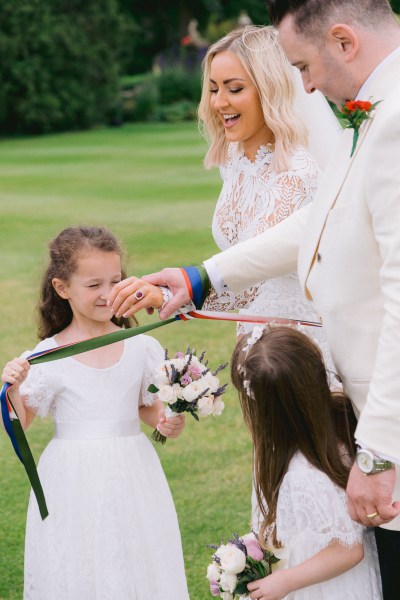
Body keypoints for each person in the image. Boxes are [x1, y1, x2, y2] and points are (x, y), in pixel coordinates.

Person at [107, 2, 400, 597]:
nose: (307, 87)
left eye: (304, 67)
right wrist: (200, 278)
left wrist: (378, 452)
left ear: (343, 41)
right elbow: (315, 227)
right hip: (279, 364)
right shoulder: (364, 119)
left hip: (330, 377)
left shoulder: (385, 122)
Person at [1, 226, 189, 600]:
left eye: (115, 281)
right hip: (72, 477)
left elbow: (145, 407)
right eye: (94, 285)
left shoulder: (140, 346)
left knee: (135, 551)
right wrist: (13, 388)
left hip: (133, 470)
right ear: (62, 288)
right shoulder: (47, 356)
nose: (108, 295)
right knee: (80, 557)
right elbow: (20, 424)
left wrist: (165, 422)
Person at [231, 325, 381, 600]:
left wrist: (284, 581)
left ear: (266, 411)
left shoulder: (305, 472)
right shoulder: (337, 418)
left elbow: (348, 549)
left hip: (331, 587)